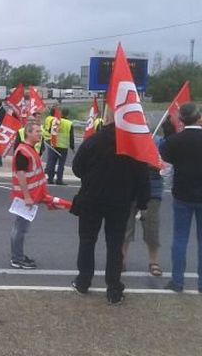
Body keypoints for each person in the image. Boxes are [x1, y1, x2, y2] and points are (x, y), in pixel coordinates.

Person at [71, 111, 150, 305]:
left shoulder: (92, 141)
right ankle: (113, 288)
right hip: (120, 201)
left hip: (91, 198)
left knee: (87, 241)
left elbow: (76, 168)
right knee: (115, 245)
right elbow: (142, 177)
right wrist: (142, 202)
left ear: (107, 120)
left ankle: (83, 281)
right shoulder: (132, 145)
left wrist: (91, 178)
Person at [122, 119, 173, 277]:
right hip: (130, 189)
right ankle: (121, 259)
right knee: (126, 227)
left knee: (151, 227)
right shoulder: (129, 142)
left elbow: (165, 165)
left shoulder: (159, 142)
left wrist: (150, 161)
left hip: (153, 190)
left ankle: (153, 261)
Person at [160, 102, 202, 293]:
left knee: (180, 238)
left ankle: (177, 281)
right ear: (198, 117)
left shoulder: (174, 141)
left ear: (181, 119)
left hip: (182, 194)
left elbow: (166, 167)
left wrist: (169, 186)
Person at [9, 121, 50, 269]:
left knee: (20, 228)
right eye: (37, 131)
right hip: (25, 197)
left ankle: (18, 255)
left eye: (40, 131)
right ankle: (17, 258)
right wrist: (27, 196)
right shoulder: (23, 151)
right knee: (20, 228)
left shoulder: (29, 149)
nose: (40, 134)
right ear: (28, 133)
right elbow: (21, 175)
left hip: (30, 196)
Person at [45, 108, 74, 185]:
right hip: (63, 147)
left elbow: (49, 130)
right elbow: (71, 137)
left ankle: (50, 179)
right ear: (68, 114)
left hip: (54, 144)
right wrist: (72, 147)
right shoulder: (69, 123)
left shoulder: (55, 121)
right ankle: (59, 180)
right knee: (61, 164)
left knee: (52, 162)